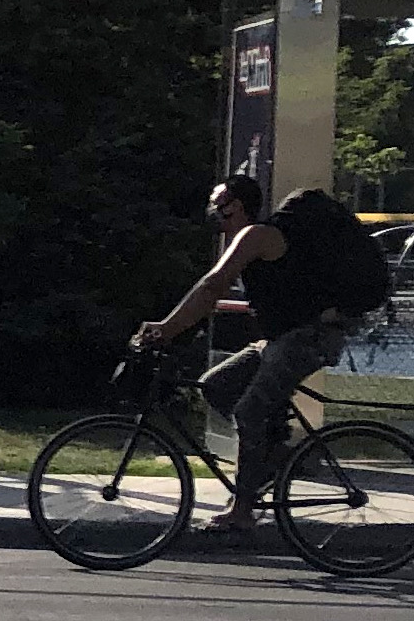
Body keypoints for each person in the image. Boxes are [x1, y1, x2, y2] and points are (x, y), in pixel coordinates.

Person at [137, 172, 351, 533]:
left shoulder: (256, 235)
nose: (212, 214)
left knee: (250, 411)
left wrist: (166, 328)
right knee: (216, 385)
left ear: (235, 207)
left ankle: (243, 511)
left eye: (217, 206)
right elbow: (213, 295)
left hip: (308, 338)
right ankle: (276, 458)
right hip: (282, 337)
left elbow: (211, 286)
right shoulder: (243, 239)